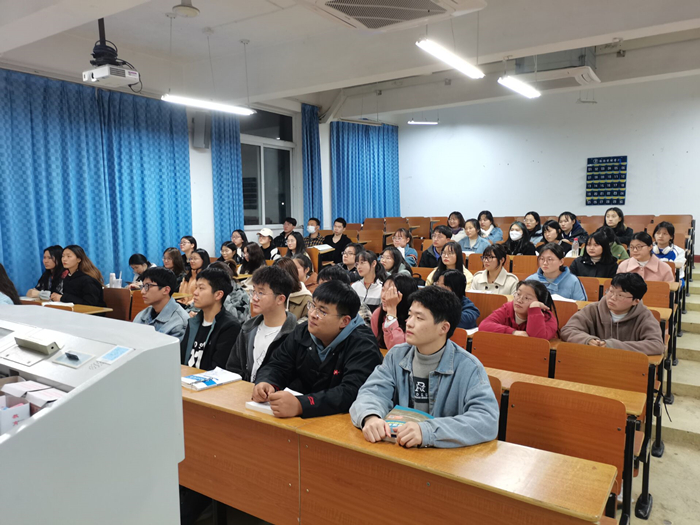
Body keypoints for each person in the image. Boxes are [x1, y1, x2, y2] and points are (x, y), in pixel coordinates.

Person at [350, 286, 499, 448]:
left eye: (419, 318)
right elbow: (371, 393)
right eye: (409, 315)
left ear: (444, 328)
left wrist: (428, 431)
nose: (409, 323)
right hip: (398, 450)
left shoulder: (469, 368)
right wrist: (370, 416)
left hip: (443, 456)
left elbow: (486, 420)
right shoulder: (396, 356)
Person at [252, 280, 383, 418]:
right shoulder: (303, 331)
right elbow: (278, 364)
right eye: (313, 306)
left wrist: (301, 405)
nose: (313, 314)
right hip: (302, 418)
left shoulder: (363, 346)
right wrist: (267, 382)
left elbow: (350, 392)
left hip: (342, 421)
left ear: (344, 321)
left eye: (322, 311)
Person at [561, 273, 664, 355]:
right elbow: (568, 330)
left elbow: (656, 345)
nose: (612, 297)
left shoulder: (644, 316)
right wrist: (587, 340)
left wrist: (613, 345)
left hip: (627, 366)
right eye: (610, 291)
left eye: (620, 295)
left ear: (635, 301)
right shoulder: (593, 309)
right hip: (593, 362)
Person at [226, 266, 298, 381]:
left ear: (280, 299)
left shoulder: (295, 335)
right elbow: (233, 369)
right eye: (254, 291)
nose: (254, 298)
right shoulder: (248, 329)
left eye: (261, 293)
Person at [180, 267, 241, 370]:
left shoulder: (229, 327)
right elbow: (181, 360)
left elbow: (217, 370)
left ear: (218, 295)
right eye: (196, 287)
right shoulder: (193, 322)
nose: (195, 292)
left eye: (201, 288)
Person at [480, 280, 559, 339]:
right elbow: (484, 325)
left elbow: (537, 340)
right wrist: (513, 332)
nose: (519, 300)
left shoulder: (548, 318)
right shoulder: (508, 308)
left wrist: (534, 309)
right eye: (518, 294)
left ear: (540, 302)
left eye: (527, 298)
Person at [132, 267, 189, 340]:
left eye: (147, 286)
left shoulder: (179, 322)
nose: (142, 291)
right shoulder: (142, 315)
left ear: (166, 290)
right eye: (142, 286)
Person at [370, 274, 419, 350]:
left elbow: (399, 350)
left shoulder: (416, 319)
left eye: (391, 292)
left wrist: (391, 312)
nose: (383, 296)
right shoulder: (378, 313)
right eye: (383, 290)